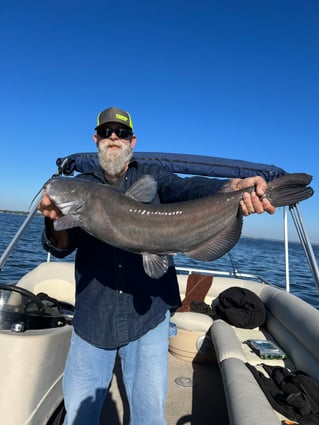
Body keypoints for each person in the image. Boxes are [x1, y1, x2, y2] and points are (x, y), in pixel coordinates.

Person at [38, 106, 276, 425]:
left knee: (149, 416)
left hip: (148, 315)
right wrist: (53, 220)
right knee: (78, 417)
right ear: (95, 139)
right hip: (93, 317)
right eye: (106, 132)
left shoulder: (152, 177)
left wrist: (230, 191)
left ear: (132, 140)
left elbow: (187, 189)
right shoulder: (82, 186)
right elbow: (61, 245)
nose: (113, 138)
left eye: (121, 133)